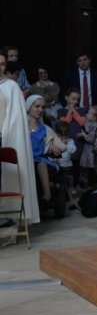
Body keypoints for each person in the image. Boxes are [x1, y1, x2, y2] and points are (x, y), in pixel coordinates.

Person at [0, 54, 39, 231]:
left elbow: (15, 119)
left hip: (4, 140)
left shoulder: (11, 87)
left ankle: (9, 223)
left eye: (2, 64)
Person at [26, 95, 64, 208]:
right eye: (37, 106)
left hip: (42, 161)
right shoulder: (21, 126)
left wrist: (53, 147)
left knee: (41, 164)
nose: (40, 110)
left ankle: (47, 195)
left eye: (42, 107)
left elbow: (62, 145)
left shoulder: (46, 129)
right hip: (26, 160)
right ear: (29, 107)